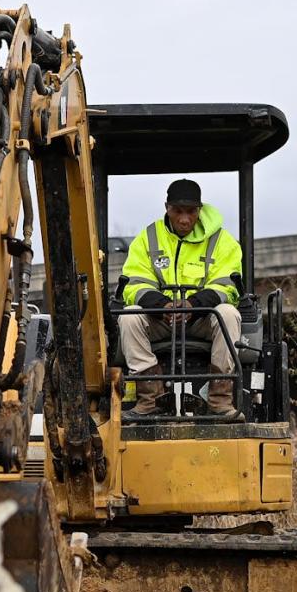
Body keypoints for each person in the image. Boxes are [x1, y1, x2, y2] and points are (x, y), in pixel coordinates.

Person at [119, 179, 243, 420]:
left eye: (191, 212)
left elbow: (227, 286)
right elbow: (134, 283)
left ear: (200, 210)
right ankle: (150, 398)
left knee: (228, 313)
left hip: (204, 318)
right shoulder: (148, 238)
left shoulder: (222, 241)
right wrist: (161, 306)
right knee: (129, 316)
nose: (184, 219)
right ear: (167, 208)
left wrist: (193, 306)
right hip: (161, 319)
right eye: (178, 211)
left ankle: (219, 400)